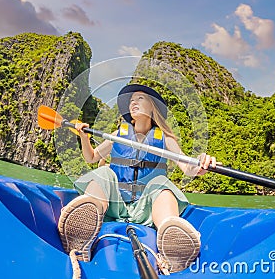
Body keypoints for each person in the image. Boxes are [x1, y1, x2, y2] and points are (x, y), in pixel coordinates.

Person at [57, 84, 216, 273]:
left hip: (146, 209)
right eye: (132, 100)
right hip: (115, 204)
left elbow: (188, 168)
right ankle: (85, 225)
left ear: (152, 107)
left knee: (160, 183)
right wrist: (84, 137)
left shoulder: (165, 139)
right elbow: (91, 158)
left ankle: (170, 234)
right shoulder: (118, 135)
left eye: (140, 98)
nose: (133, 102)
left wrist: (201, 163)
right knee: (105, 172)